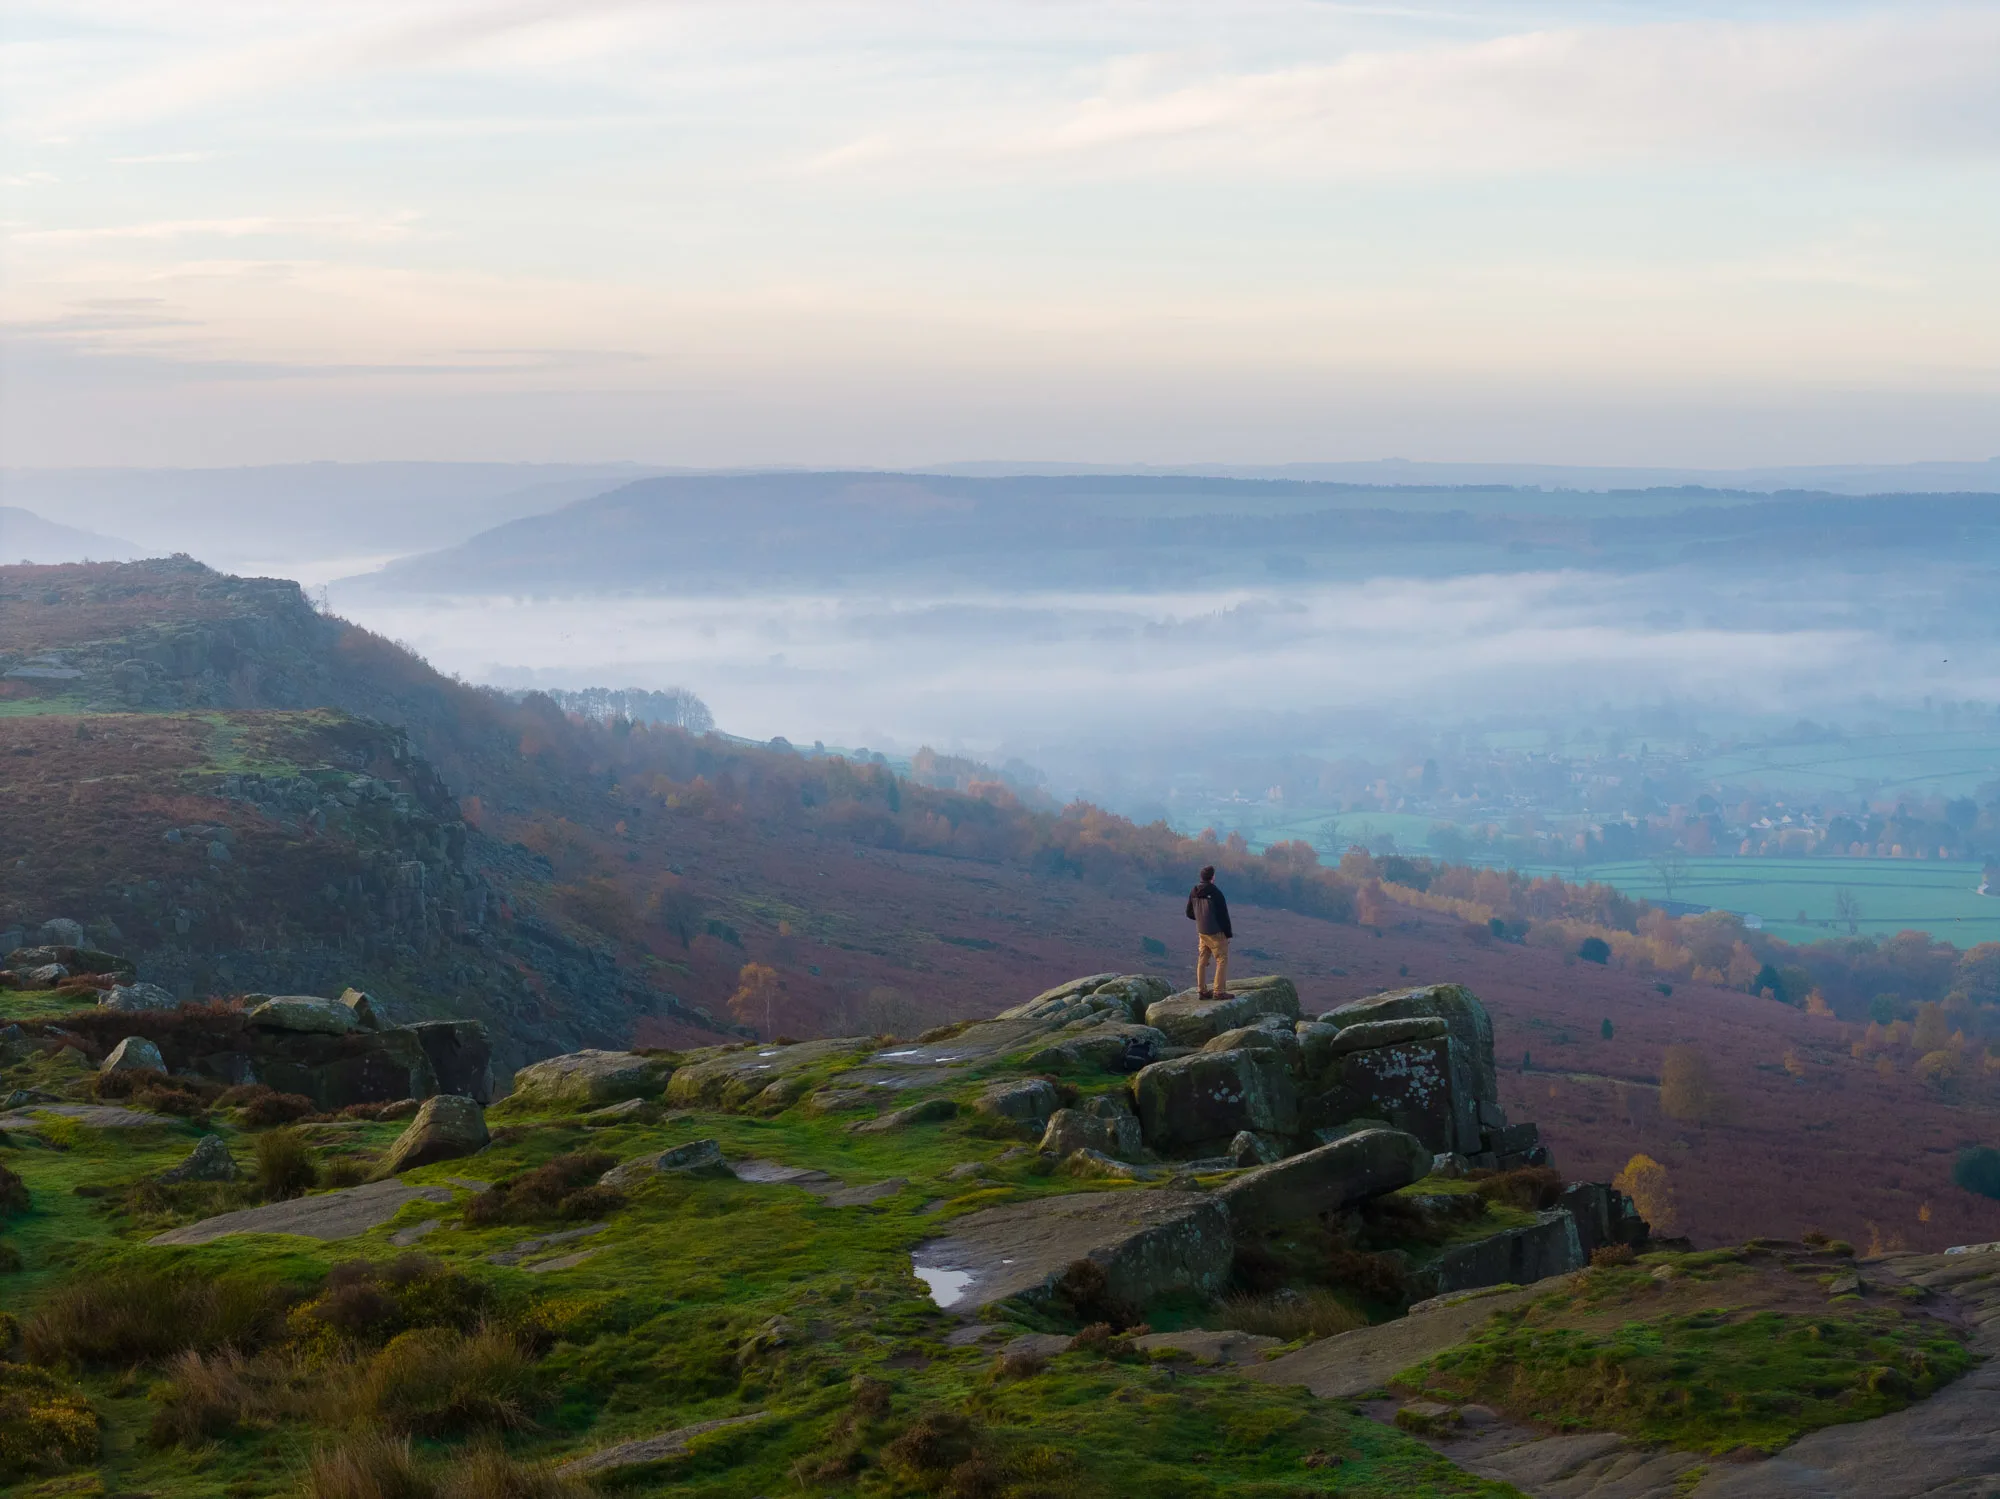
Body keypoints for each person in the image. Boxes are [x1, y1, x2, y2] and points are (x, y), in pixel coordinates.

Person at [1185, 864, 1233, 999]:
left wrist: (1201, 918)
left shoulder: (1194, 891)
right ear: (1212, 877)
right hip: (1216, 932)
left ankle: (1202, 990)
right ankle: (1219, 992)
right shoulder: (1216, 893)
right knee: (1222, 959)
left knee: (1202, 959)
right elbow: (1223, 916)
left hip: (1202, 931)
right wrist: (1228, 934)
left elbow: (1188, 912)